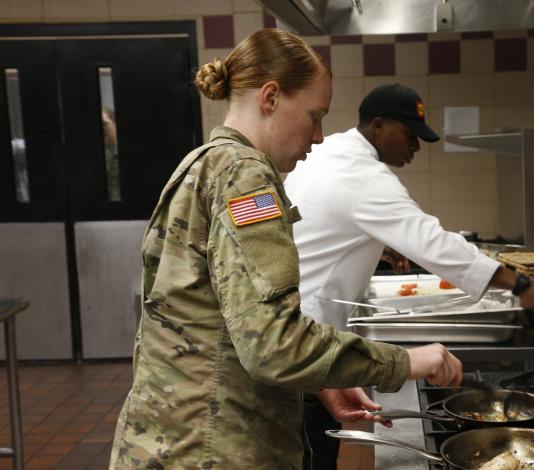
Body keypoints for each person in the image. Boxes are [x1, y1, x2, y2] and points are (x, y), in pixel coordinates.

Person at [109, 30, 464, 470]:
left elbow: (221, 320)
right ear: (271, 97)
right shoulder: (245, 177)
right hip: (215, 447)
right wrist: (406, 361)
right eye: (314, 116)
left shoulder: (201, 162)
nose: (318, 136)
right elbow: (273, 345)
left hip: (170, 436)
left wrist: (320, 380)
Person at [284, 83, 534, 468]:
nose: (415, 147)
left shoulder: (333, 151)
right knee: (312, 451)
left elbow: (329, 222)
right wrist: (521, 285)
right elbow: (433, 242)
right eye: (410, 136)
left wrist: (381, 242)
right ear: (378, 127)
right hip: (307, 338)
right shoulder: (366, 177)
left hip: (290, 333)